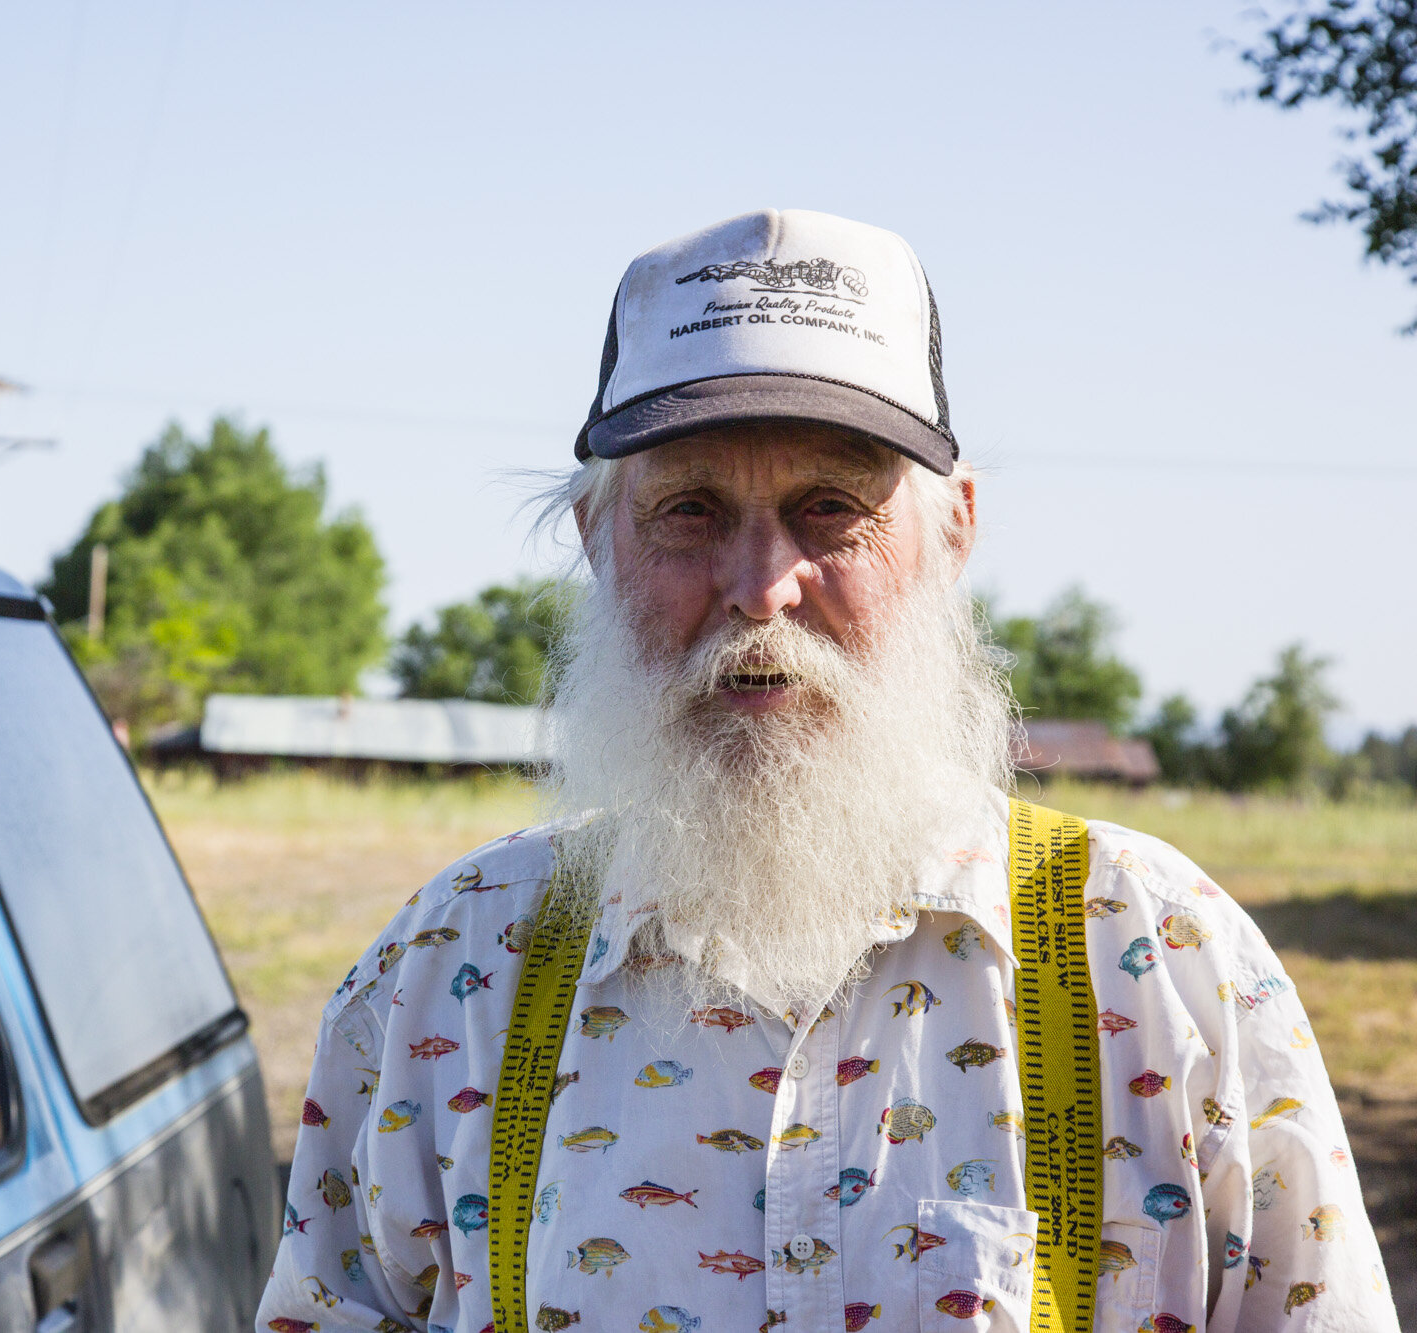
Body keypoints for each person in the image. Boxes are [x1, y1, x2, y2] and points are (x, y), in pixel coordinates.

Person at [257, 209, 1396, 1332]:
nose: (759, 586)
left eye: (830, 510)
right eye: (689, 509)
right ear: (596, 539)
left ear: (953, 533)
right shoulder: (448, 971)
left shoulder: (1164, 963)